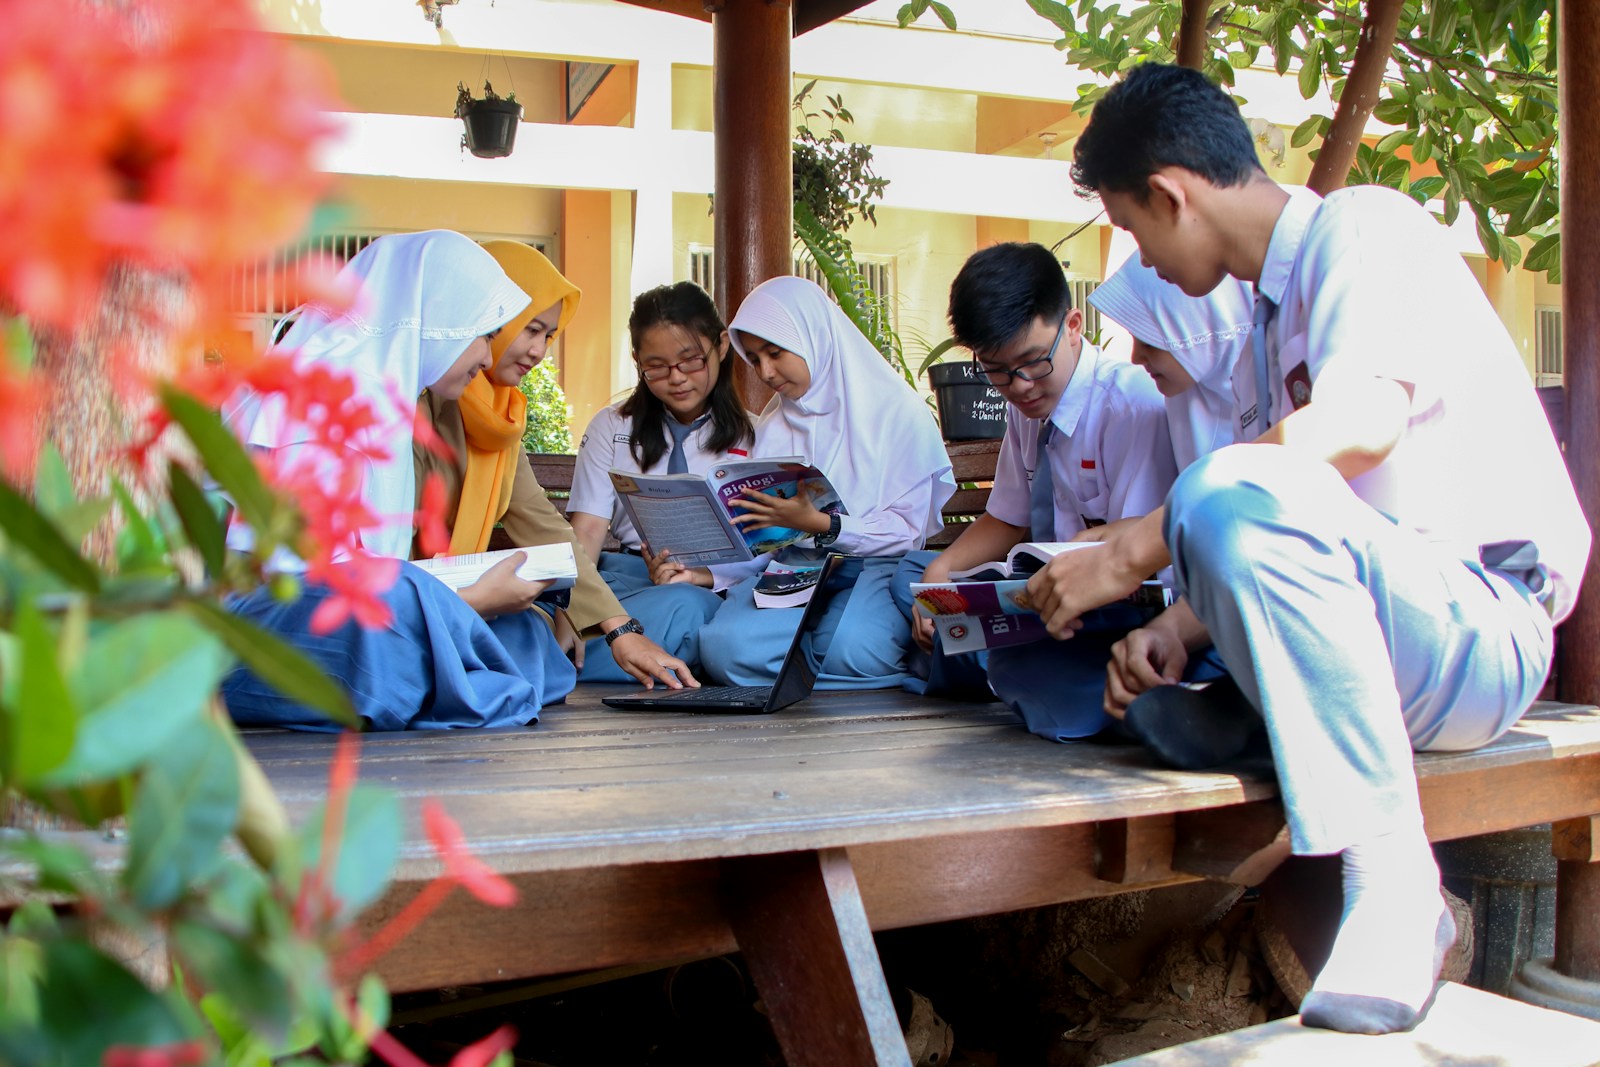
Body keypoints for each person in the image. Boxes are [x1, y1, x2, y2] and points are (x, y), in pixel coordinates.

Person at [1052, 62, 1589, 1034]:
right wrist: (1181, 620)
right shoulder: (1267, 321)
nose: (1142, 259)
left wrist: (1139, 543)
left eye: (1132, 228)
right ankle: (1249, 696)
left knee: (1221, 487)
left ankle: (1392, 882)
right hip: (1396, 625)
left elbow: (1359, 426)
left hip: (1481, 626)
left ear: (1172, 193)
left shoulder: (1365, 228)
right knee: (1223, 501)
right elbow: (1304, 520)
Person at [221, 230, 577, 731]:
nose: (483, 360)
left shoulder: (386, 398)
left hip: (361, 613)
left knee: (520, 629)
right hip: (266, 629)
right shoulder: (319, 391)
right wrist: (465, 601)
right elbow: (297, 587)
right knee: (407, 601)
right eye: (483, 335)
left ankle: (433, 671)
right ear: (438, 320)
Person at [898, 242, 1178, 740]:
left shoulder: (1130, 406)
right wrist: (939, 579)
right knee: (920, 581)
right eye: (997, 372)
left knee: (1023, 666)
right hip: (1045, 598)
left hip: (1114, 607)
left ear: (1072, 327)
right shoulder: (1026, 410)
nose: (1021, 385)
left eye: (1032, 362)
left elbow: (1140, 558)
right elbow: (1007, 516)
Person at [416, 244, 697, 690]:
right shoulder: (418, 403)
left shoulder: (501, 419)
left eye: (547, 336)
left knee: (536, 652)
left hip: (460, 597)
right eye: (528, 329)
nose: (536, 352)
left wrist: (620, 630)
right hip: (401, 599)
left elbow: (544, 525)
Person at [667, 275, 956, 688]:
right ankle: (834, 665)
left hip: (873, 565)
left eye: (775, 352)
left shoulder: (897, 413)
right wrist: (705, 575)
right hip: (796, 568)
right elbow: (764, 540)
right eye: (754, 359)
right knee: (725, 650)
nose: (766, 371)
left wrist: (824, 525)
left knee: (855, 648)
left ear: (813, 337)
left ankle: (815, 663)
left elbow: (907, 535)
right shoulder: (775, 425)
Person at [564, 281, 750, 681]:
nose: (676, 378)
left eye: (690, 361)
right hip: (626, 580)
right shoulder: (612, 426)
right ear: (637, 361)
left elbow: (767, 548)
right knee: (557, 607)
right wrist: (574, 609)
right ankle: (576, 646)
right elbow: (590, 530)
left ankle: (558, 660)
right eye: (657, 366)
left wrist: (702, 576)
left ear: (720, 346)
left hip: (713, 587)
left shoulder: (755, 436)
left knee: (689, 609)